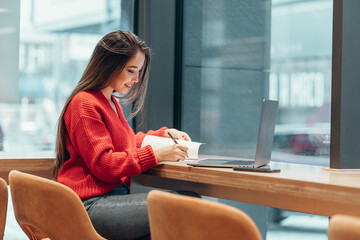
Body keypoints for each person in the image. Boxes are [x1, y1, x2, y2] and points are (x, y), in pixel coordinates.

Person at [53, 30, 195, 240]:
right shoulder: (84, 103)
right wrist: (155, 155)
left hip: (107, 202)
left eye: (138, 71)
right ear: (109, 64)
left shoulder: (110, 102)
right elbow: (104, 163)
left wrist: (163, 134)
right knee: (186, 204)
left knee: (180, 211)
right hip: (88, 206)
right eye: (131, 70)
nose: (136, 79)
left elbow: (127, 142)